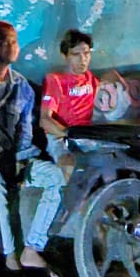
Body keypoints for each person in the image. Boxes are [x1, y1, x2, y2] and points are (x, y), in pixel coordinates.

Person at [0, 21, 66, 277]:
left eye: (13, 41)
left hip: (11, 159)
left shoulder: (22, 87)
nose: (10, 46)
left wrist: (19, 160)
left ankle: (32, 248)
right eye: (2, 41)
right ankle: (8, 257)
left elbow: (25, 133)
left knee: (55, 177)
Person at [40, 28, 100, 173]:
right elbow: (44, 120)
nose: (83, 59)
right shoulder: (55, 81)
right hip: (61, 135)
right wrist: (68, 134)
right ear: (65, 56)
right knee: (71, 166)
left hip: (88, 134)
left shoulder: (91, 79)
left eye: (86, 53)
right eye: (76, 54)